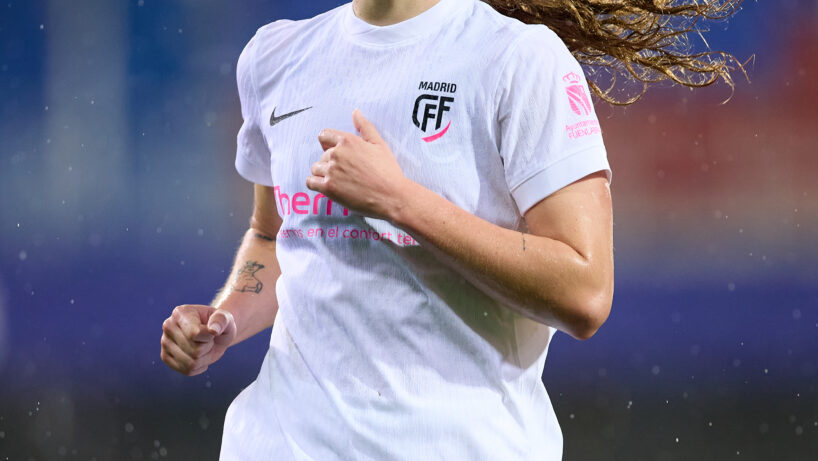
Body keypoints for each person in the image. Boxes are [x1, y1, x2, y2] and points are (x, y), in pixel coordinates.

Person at [159, 0, 742, 459]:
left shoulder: (518, 59)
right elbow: (275, 235)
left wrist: (400, 201)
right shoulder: (275, 56)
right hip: (280, 442)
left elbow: (585, 292)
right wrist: (226, 320)